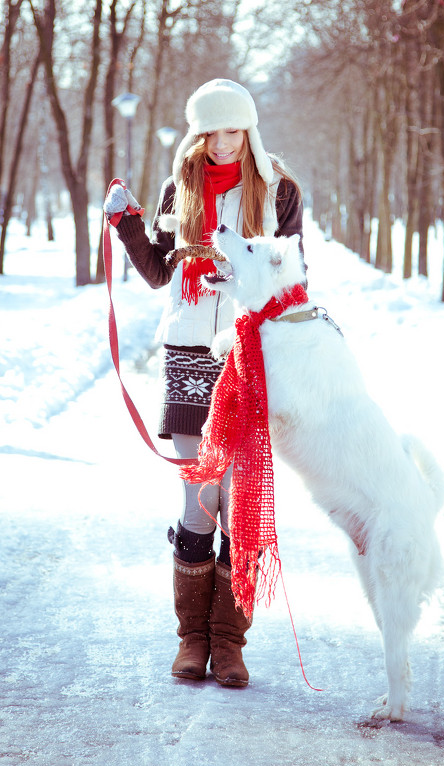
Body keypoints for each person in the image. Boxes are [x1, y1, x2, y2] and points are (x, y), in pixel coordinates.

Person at [104, 78, 305, 688]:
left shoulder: (279, 191)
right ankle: (192, 641)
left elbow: (296, 279)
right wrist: (128, 224)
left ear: (249, 130)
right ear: (197, 133)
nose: (221, 143)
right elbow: (160, 273)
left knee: (241, 504)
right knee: (200, 501)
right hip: (191, 354)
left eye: (232, 130)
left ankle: (229, 644)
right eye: (210, 131)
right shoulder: (181, 187)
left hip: (251, 354)